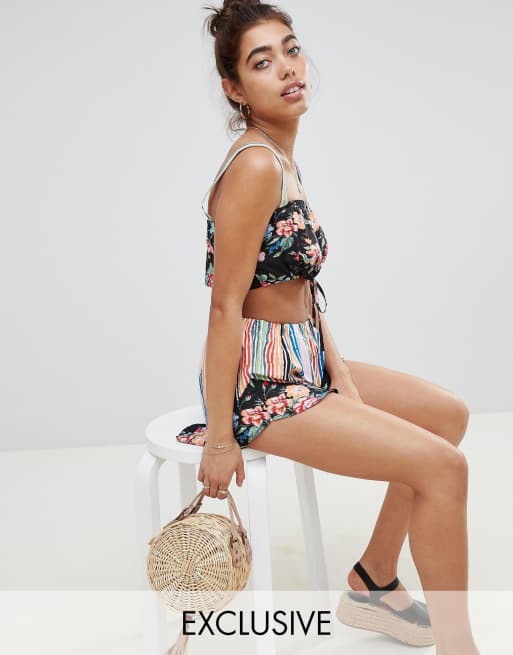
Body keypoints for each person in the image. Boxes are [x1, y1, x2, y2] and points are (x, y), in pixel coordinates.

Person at [176, 1, 481, 652]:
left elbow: (300, 288)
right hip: (259, 383)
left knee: (446, 416)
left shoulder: (281, 155)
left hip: (303, 361)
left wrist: (336, 370)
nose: (288, 68)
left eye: (291, 49)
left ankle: (374, 579)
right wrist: (221, 438)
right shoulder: (255, 166)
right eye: (262, 62)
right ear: (235, 89)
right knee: (444, 468)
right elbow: (225, 307)